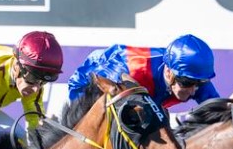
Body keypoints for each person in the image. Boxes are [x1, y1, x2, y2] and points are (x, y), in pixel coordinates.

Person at [67, 34, 220, 109]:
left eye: (200, 83)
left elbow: (220, 113)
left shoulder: (194, 77)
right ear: (169, 72)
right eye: (187, 83)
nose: (193, 90)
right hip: (87, 83)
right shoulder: (134, 70)